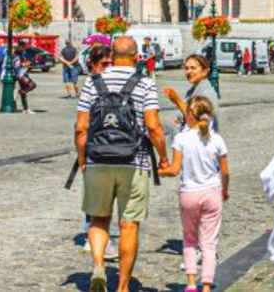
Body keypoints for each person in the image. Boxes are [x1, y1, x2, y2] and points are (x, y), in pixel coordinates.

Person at [75, 36, 168, 292]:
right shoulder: (146, 84)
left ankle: (98, 267)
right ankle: (123, 286)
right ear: (138, 57)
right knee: (128, 224)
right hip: (134, 161)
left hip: (98, 159)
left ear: (112, 55)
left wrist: (83, 160)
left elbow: (81, 128)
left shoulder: (92, 82)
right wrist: (164, 158)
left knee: (98, 219)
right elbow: (153, 126)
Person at [157, 95, 228, 292]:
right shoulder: (217, 139)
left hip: (189, 194)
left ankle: (190, 284)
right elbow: (225, 171)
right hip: (212, 192)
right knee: (209, 244)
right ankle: (206, 286)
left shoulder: (181, 138)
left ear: (189, 115)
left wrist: (159, 171)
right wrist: (226, 190)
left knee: (189, 240)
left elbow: (174, 170)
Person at [163, 54, 219, 133]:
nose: (189, 71)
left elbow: (196, 121)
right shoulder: (192, 90)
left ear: (204, 71)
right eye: (186, 68)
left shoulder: (207, 93)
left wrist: (177, 100)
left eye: (193, 68)